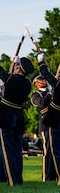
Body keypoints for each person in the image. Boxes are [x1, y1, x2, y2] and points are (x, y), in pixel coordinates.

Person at [0, 48, 34, 186]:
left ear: (18, 69)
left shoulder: (11, 79)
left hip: (6, 115)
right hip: (18, 116)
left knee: (8, 150)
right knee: (17, 150)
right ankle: (18, 179)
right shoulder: (27, 83)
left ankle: (12, 180)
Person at [37, 53, 60, 185]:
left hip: (54, 116)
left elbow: (45, 73)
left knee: (55, 148)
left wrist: (41, 61)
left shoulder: (56, 84)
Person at [31, 74, 56, 182]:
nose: (44, 80)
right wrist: (50, 93)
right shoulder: (36, 95)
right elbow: (41, 104)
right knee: (48, 150)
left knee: (56, 150)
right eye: (41, 79)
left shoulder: (52, 91)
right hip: (46, 124)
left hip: (56, 122)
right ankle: (47, 176)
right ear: (36, 83)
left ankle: (55, 174)